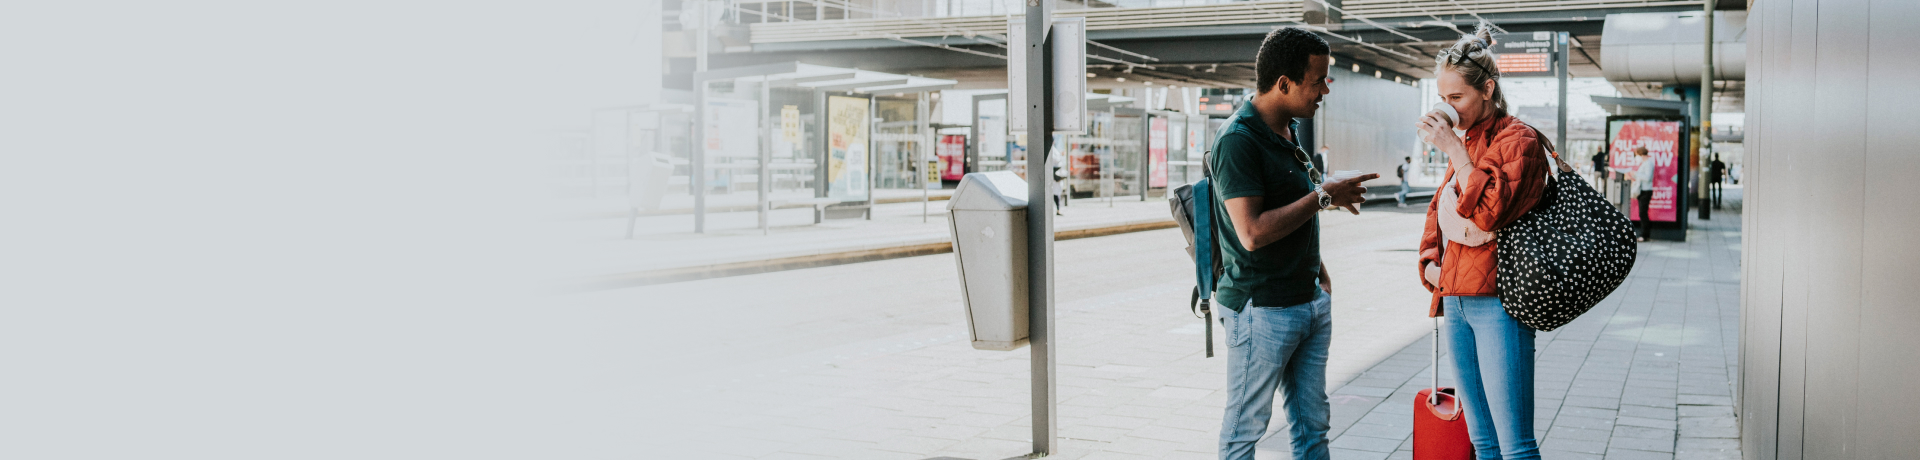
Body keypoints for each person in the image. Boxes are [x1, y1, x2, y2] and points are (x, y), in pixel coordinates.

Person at [1208, 27, 1374, 460]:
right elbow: (1253, 232)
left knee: (1312, 424)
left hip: (1307, 302)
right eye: (1318, 80)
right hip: (1260, 309)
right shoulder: (1238, 139)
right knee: (1245, 428)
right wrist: (1323, 197)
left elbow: (1294, 209)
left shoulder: (1287, 129)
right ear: (1284, 83)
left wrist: (1319, 273)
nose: (1325, 91)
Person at [1413, 23, 1552, 460]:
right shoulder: (1468, 140)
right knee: (1483, 442)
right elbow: (1440, 213)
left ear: (1487, 88)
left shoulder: (1519, 140)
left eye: (1457, 98)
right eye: (1442, 99)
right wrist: (1429, 264)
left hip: (1499, 301)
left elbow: (1488, 210)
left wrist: (1454, 149)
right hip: (1454, 299)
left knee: (1515, 444)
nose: (1448, 107)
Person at [1633, 146, 1655, 242]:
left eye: (1637, 155)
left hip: (1646, 191)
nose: (1636, 157)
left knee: (1643, 213)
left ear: (1641, 154)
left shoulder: (1648, 164)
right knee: (1642, 213)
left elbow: (1647, 178)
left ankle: (1645, 234)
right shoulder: (1644, 163)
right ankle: (1644, 234)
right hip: (1642, 190)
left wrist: (1636, 174)